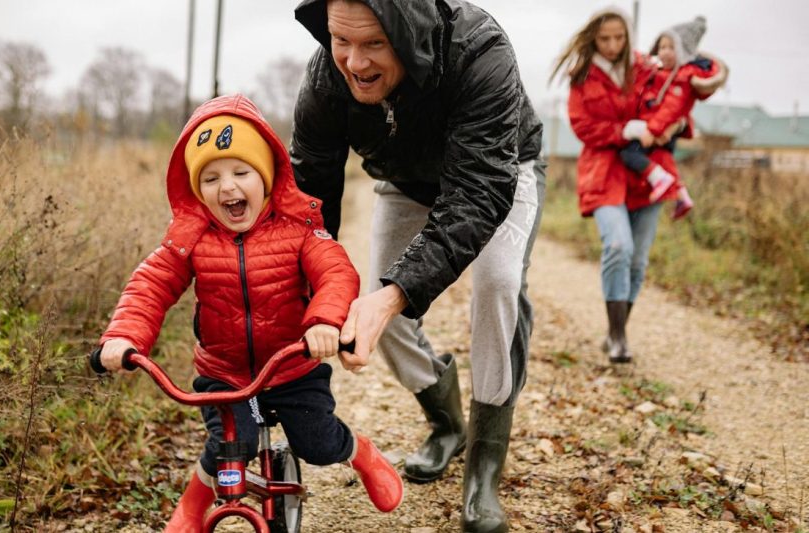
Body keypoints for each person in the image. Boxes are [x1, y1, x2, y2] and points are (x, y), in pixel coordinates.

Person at [94, 94, 403, 532]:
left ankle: (361, 453)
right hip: (225, 372)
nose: (228, 188)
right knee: (227, 446)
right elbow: (151, 284)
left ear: (268, 176)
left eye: (242, 172)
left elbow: (336, 273)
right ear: (197, 189)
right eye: (211, 178)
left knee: (316, 441)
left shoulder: (298, 229)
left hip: (292, 365)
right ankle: (193, 505)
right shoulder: (192, 238)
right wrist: (124, 336)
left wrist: (323, 322)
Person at [291, 0, 544, 530]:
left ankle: (484, 469)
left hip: (498, 170)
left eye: (374, 44)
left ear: (408, 33)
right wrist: (308, 293)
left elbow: (478, 194)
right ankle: (447, 424)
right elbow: (310, 195)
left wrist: (396, 294)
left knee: (496, 283)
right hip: (406, 181)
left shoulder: (481, 52)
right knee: (378, 305)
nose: (354, 62)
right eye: (342, 40)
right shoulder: (325, 76)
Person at [551, 8, 676, 364]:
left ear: (627, 37)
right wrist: (623, 131)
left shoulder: (645, 67)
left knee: (637, 260)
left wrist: (672, 124)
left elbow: (675, 97)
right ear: (593, 38)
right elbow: (582, 126)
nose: (611, 45)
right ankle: (618, 336)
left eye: (618, 38)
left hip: (647, 172)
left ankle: (615, 333)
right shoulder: (583, 76)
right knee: (618, 246)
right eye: (604, 38)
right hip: (604, 171)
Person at [618, 16, 728, 220]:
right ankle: (681, 195)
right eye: (662, 47)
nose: (664, 52)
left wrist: (652, 130)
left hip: (656, 129)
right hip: (657, 128)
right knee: (663, 159)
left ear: (684, 52)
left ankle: (659, 180)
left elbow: (671, 108)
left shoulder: (680, 78)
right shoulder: (660, 74)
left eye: (671, 47)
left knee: (630, 154)